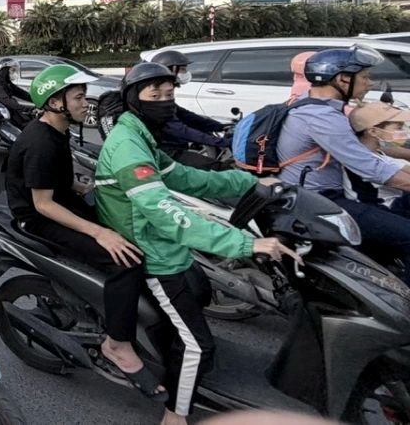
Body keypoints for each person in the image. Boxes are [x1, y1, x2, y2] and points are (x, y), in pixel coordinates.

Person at [95, 62, 299, 425]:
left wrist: (247, 183)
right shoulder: (127, 143)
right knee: (198, 347)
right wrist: (245, 244)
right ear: (133, 98)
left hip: (161, 242)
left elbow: (186, 178)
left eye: (169, 94)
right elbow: (162, 209)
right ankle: (175, 416)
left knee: (199, 294)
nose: (164, 101)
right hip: (152, 250)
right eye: (153, 94)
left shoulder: (141, 133)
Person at [7, 65, 161, 400]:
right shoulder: (40, 142)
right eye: (78, 97)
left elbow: (54, 180)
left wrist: (79, 185)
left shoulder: (57, 129)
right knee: (125, 260)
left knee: (130, 233)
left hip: (60, 201)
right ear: (55, 102)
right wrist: (100, 233)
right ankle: (118, 344)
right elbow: (43, 204)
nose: (84, 103)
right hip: (38, 218)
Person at [276, 46, 410, 280]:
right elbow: (371, 167)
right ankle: (400, 308)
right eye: (365, 77)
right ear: (342, 79)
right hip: (319, 200)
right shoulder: (321, 117)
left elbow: (370, 152)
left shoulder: (316, 105)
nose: (369, 83)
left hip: (318, 194)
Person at [149, 50, 230, 167]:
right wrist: (222, 142)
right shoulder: (153, 100)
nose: (186, 73)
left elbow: (187, 116)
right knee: (220, 169)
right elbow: (180, 129)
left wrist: (220, 126)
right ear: (170, 69)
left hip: (173, 148)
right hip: (163, 153)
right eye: (182, 69)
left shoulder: (165, 95)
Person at [345, 102, 410, 214]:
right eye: (398, 127)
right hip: (380, 209)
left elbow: (405, 169)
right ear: (373, 131)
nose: (403, 132)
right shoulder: (364, 160)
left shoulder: (376, 153)